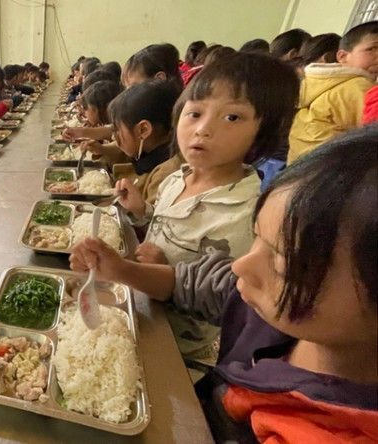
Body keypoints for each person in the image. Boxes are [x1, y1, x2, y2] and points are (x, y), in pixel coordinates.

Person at [70, 126, 378, 442]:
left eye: (284, 263)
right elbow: (194, 282)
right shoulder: (269, 306)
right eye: (257, 237)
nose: (243, 264)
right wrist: (121, 269)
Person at [113, 53, 300, 372]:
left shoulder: (246, 217)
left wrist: (164, 271)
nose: (202, 129)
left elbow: (225, 303)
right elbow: (169, 229)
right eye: (195, 113)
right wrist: (143, 212)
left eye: (232, 118)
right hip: (141, 308)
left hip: (179, 346)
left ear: (264, 131)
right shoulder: (177, 177)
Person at [288, 21, 377, 164]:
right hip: (330, 174)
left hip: (298, 171)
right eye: (372, 48)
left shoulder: (316, 81)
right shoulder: (359, 87)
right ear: (342, 56)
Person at [81, 80, 180, 204]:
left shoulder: (166, 174)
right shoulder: (152, 147)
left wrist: (140, 210)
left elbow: (152, 218)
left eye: (117, 129)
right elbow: (126, 152)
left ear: (143, 130)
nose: (113, 136)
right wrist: (103, 150)